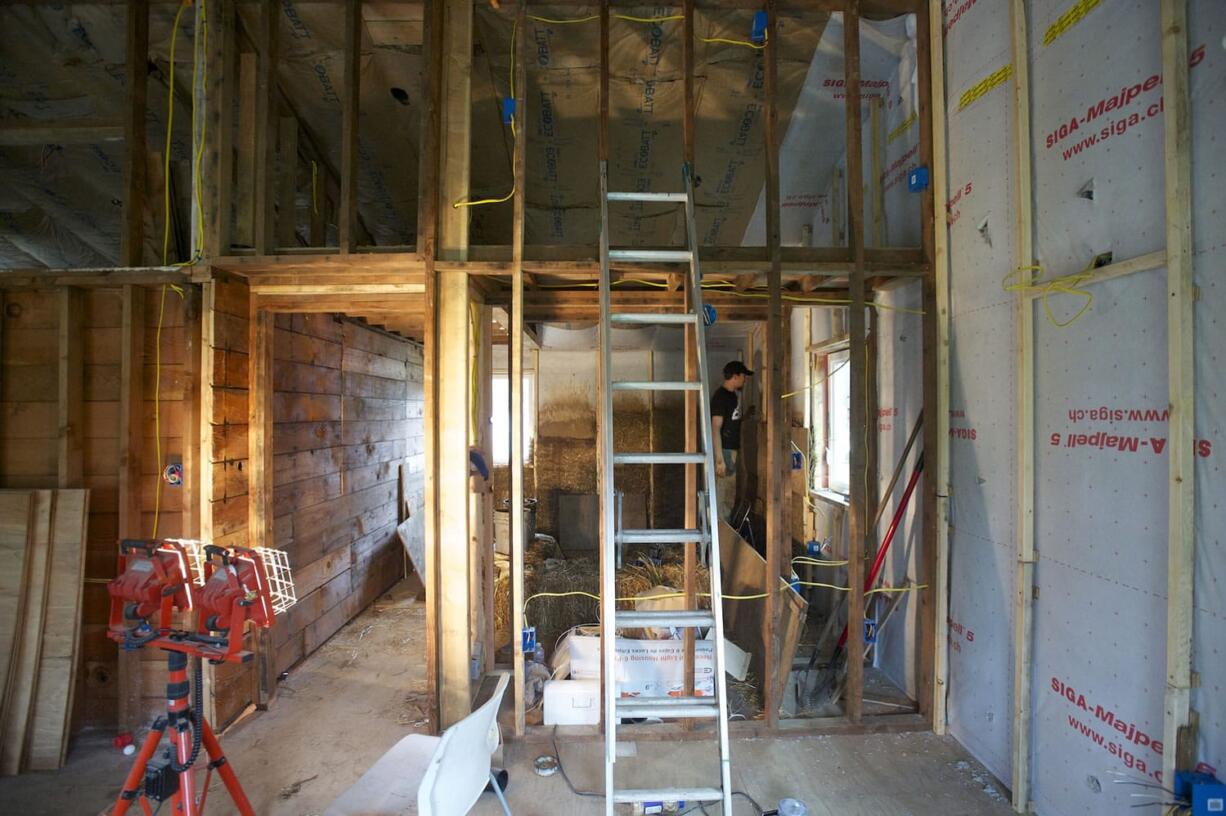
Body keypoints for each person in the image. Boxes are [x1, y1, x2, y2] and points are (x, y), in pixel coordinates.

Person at [710, 360, 752, 524]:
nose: (745, 380)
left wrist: (746, 416)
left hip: (729, 451)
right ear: (735, 376)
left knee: (728, 494)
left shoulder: (732, 396)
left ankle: (723, 533)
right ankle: (722, 537)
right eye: (743, 376)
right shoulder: (721, 397)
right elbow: (715, 428)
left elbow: (731, 421)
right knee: (724, 496)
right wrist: (720, 459)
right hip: (724, 451)